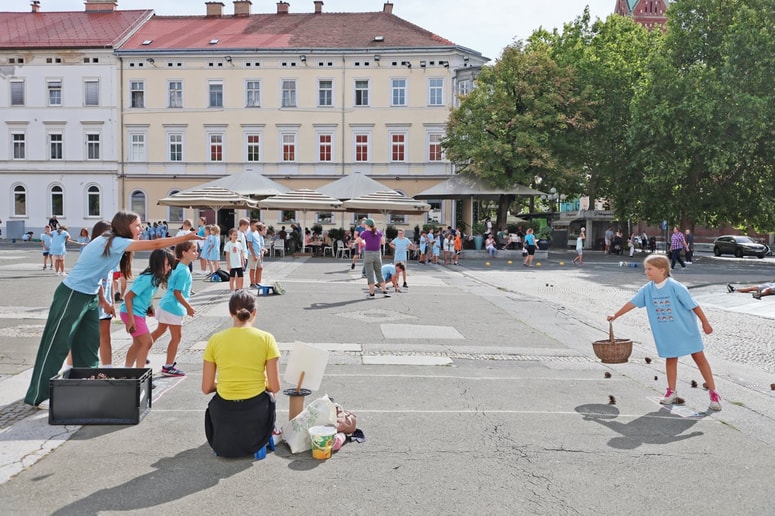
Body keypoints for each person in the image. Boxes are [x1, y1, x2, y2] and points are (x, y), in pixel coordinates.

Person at [23, 210, 202, 407]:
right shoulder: (114, 241)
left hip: (90, 296)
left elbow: (98, 274)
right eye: (137, 225)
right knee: (57, 343)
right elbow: (155, 245)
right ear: (125, 226)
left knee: (88, 345)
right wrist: (184, 237)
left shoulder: (114, 243)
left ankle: (86, 388)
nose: (141, 229)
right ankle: (39, 395)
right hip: (72, 294)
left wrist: (103, 300)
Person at [607, 254, 721, 411]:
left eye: (650, 269)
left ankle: (714, 393)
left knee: (699, 357)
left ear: (662, 270)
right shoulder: (647, 289)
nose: (646, 272)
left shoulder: (676, 287)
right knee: (671, 359)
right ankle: (671, 392)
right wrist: (616, 315)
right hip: (667, 333)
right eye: (646, 269)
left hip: (686, 329)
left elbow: (694, 305)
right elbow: (632, 303)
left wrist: (705, 322)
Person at [202, 291, 281, 458]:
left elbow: (206, 387)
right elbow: (274, 387)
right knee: (271, 395)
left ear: (230, 313)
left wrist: (227, 384)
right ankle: (267, 433)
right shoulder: (266, 338)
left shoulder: (215, 340)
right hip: (256, 409)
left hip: (224, 411)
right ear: (254, 312)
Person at [121, 249, 175, 369]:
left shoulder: (155, 278)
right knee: (147, 342)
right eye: (167, 264)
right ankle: (139, 372)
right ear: (158, 263)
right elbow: (128, 297)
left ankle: (127, 370)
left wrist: (149, 306)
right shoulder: (147, 278)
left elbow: (145, 295)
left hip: (138, 312)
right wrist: (131, 319)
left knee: (138, 344)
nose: (169, 268)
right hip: (131, 313)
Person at [151, 241, 197, 377]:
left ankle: (141, 348)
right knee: (176, 337)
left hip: (166, 304)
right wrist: (188, 307)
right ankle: (168, 366)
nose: (196, 253)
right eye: (193, 250)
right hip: (173, 307)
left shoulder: (178, 267)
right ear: (184, 253)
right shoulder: (183, 270)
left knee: (160, 331)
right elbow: (177, 293)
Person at [356, 218, 390, 298]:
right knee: (379, 273)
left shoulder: (365, 233)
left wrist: (363, 241)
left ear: (367, 225)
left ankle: (372, 293)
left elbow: (357, 241)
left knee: (370, 274)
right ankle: (384, 291)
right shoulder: (378, 232)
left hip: (368, 253)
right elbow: (383, 242)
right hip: (377, 253)